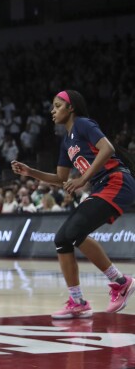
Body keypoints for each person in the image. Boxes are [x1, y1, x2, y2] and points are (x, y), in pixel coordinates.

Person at [12, 89, 135, 319]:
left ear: (71, 108)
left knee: (74, 232)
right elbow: (60, 178)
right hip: (101, 186)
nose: (52, 111)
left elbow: (107, 148)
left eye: (57, 106)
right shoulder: (65, 142)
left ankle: (121, 283)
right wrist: (30, 172)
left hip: (116, 181)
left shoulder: (83, 124)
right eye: (52, 106)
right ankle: (78, 300)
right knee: (63, 238)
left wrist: (83, 179)